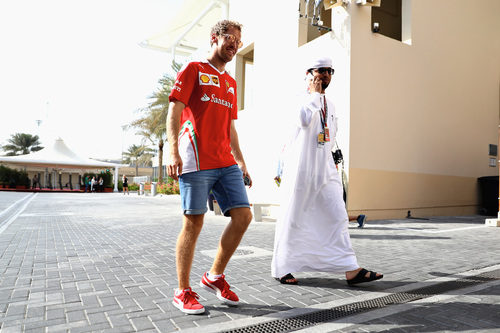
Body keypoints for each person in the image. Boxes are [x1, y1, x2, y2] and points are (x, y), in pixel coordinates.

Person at [271, 57, 383, 286]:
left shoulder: (330, 104)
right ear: (309, 73)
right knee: (293, 219)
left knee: (337, 216)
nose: (326, 75)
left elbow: (329, 135)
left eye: (330, 71)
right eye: (321, 70)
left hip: (325, 169)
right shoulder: (300, 99)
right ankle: (282, 267)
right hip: (301, 169)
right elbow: (303, 120)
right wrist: (314, 95)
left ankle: (350, 269)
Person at [166, 19, 253, 315]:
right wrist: (172, 151)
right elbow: (174, 109)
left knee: (243, 216)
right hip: (196, 158)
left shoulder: (231, 83)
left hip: (225, 161)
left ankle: (214, 276)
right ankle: (182, 290)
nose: (235, 44)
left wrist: (240, 160)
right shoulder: (194, 70)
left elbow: (230, 127)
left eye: (239, 42)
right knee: (194, 223)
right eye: (231, 38)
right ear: (215, 37)